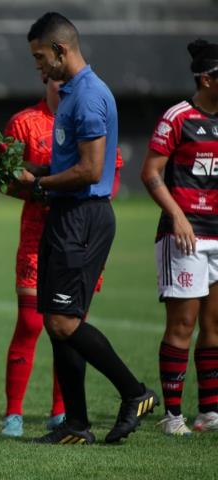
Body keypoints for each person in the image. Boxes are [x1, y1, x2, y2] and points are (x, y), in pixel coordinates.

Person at [19, 12, 158, 444]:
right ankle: (76, 425)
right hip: (66, 214)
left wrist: (39, 184)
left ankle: (135, 392)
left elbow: (90, 169)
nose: (39, 67)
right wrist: (23, 171)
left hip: (83, 216)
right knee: (56, 320)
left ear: (61, 50)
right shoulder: (70, 92)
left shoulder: (89, 95)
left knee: (63, 322)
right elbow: (67, 164)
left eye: (41, 58)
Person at [1, 75, 124, 437]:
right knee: (31, 323)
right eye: (53, 81)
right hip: (38, 236)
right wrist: (35, 191)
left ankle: (62, 412)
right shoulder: (24, 123)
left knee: (69, 325)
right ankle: (14, 414)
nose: (61, 87)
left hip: (79, 232)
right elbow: (7, 180)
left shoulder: (88, 111)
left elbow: (110, 173)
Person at [141, 39, 218, 436]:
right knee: (183, 325)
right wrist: (178, 216)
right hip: (185, 235)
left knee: (214, 324)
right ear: (207, 79)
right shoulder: (178, 118)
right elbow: (151, 172)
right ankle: (173, 416)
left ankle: (209, 411)